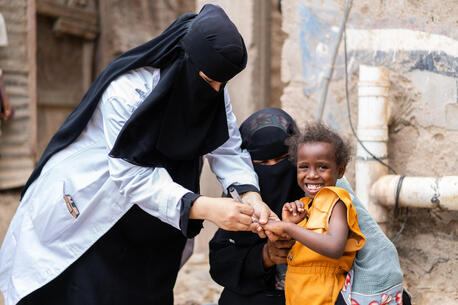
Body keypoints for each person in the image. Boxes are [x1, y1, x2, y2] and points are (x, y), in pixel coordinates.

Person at [0, 5, 275, 305]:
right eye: (209, 80)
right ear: (185, 58)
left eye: (222, 84)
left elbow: (228, 148)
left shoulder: (213, 94)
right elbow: (129, 175)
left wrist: (250, 196)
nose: (215, 90)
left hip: (159, 225)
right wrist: (206, 207)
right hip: (103, 214)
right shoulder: (129, 91)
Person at [210, 108, 408, 305]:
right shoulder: (243, 195)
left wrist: (292, 231)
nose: (274, 169)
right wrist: (266, 256)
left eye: (282, 159)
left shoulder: (328, 192)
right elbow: (221, 264)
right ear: (246, 166)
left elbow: (370, 255)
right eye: (261, 162)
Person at [261, 122, 366, 305]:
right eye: (304, 167)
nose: (312, 175)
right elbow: (299, 248)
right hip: (299, 292)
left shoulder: (337, 201)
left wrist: (288, 228)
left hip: (324, 294)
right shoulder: (305, 204)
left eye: (322, 167)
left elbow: (334, 247)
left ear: (340, 170)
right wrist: (291, 223)